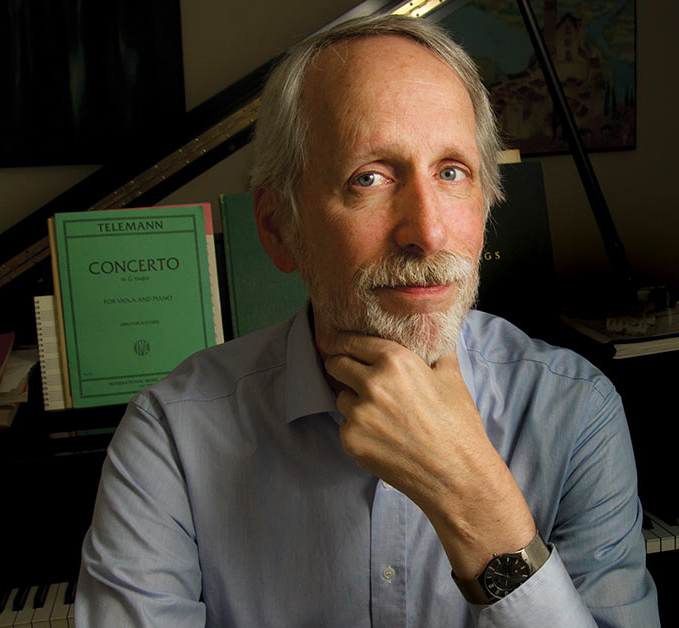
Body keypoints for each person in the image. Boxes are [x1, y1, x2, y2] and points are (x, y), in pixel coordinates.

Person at [76, 14, 660, 627]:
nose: (428, 234)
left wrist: (475, 501)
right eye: (371, 178)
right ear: (278, 228)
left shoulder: (578, 413)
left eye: (452, 171)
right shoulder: (171, 435)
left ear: (487, 199)